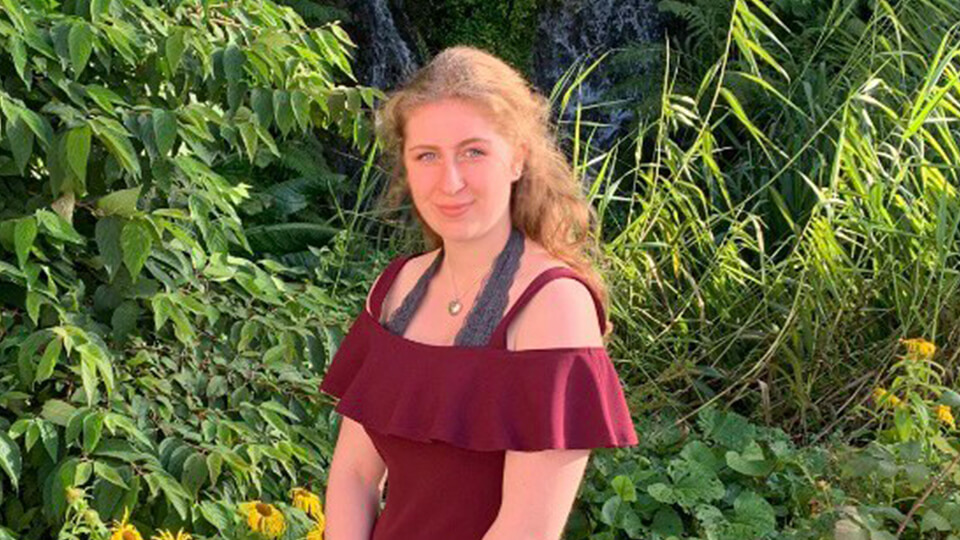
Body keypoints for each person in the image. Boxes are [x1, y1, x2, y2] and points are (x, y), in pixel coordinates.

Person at [319, 45, 638, 540]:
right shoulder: (396, 289)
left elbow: (527, 530)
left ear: (517, 159)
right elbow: (355, 476)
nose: (450, 181)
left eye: (474, 151)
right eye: (427, 155)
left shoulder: (553, 304)